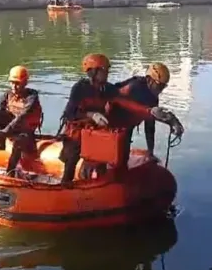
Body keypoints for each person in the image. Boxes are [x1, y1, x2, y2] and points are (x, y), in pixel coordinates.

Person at [59, 54, 183, 184]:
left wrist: (152, 112)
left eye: (107, 69)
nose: (107, 73)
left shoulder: (107, 88)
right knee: (71, 162)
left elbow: (126, 103)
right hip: (78, 132)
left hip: (97, 132)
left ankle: (102, 187)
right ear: (93, 72)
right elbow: (69, 114)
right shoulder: (80, 89)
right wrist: (91, 115)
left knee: (101, 163)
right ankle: (65, 187)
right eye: (104, 70)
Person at [0, 65, 43, 177]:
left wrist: (5, 131)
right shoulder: (8, 94)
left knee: (19, 142)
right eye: (12, 82)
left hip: (26, 131)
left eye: (17, 83)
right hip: (11, 128)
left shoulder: (32, 97)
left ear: (25, 83)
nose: (14, 86)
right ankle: (0, 143)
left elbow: (22, 116)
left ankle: (10, 172)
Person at [114, 62, 175, 156]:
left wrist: (150, 151)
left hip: (127, 124)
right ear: (149, 80)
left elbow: (150, 126)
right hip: (115, 123)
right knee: (120, 154)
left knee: (124, 153)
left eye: (163, 86)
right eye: (159, 85)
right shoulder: (134, 87)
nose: (161, 90)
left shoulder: (153, 97)